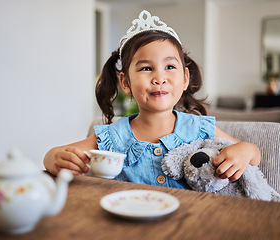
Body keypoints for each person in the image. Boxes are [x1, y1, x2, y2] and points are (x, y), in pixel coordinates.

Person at [44, 10, 260, 189]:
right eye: (146, 68)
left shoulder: (199, 128)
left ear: (185, 78)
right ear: (126, 82)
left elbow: (254, 156)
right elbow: (54, 156)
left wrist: (246, 150)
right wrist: (54, 159)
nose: (159, 78)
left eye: (169, 67)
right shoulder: (112, 137)